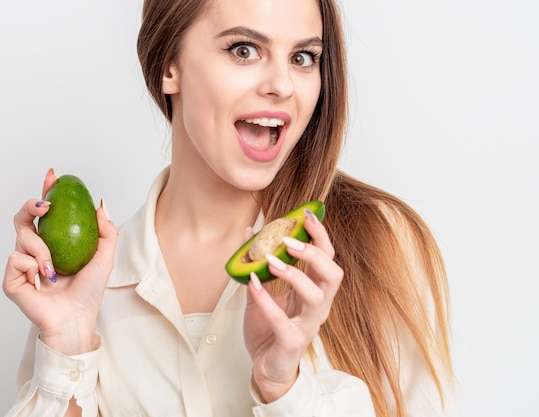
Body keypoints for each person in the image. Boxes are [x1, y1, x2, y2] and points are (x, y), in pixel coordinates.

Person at [3, 0, 456, 416]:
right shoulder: (88, 288)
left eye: (303, 57)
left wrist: (283, 388)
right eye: (244, 50)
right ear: (169, 66)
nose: (281, 85)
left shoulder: (379, 242)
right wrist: (68, 343)